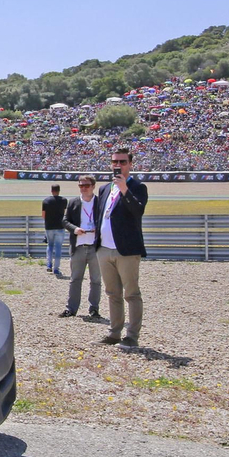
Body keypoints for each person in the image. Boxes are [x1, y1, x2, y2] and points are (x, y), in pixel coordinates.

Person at [95, 148, 148, 346]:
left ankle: (132, 336)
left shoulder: (137, 187)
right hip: (104, 249)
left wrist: (125, 189)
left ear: (131, 164)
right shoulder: (105, 189)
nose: (118, 165)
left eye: (123, 162)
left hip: (126, 250)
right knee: (112, 293)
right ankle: (114, 333)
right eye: (115, 162)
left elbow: (137, 211)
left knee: (131, 294)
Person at [59, 176, 101, 319]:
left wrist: (99, 229)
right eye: (81, 185)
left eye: (86, 185)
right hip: (78, 246)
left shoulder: (100, 202)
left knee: (95, 280)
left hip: (95, 247)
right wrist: (74, 229)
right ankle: (71, 309)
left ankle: (94, 308)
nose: (83, 188)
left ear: (93, 186)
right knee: (75, 279)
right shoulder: (74, 202)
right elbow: (65, 221)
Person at [41, 184, 68, 276]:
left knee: (50, 245)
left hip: (49, 227)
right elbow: (64, 213)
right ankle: (56, 268)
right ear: (59, 191)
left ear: (51, 191)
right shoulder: (64, 200)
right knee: (58, 248)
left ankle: (49, 265)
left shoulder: (46, 201)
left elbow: (43, 215)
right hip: (60, 227)